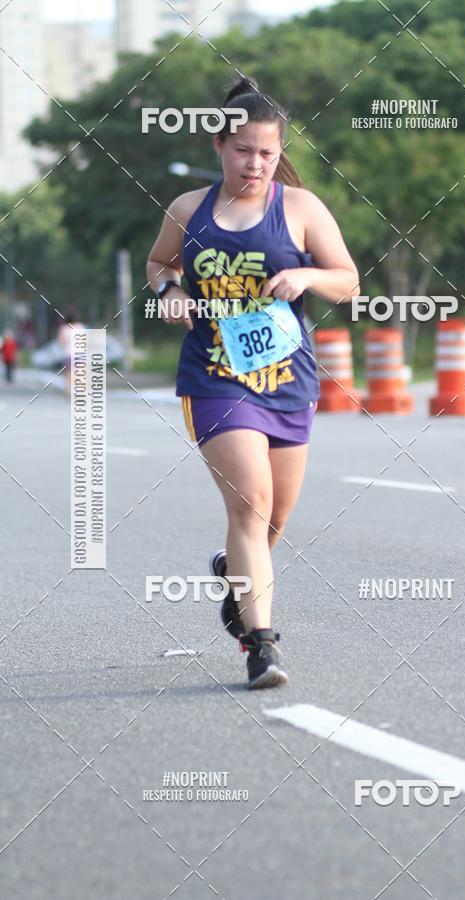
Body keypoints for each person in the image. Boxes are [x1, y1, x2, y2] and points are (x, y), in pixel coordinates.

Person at [146, 76, 360, 689]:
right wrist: (171, 290)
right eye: (244, 150)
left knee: (273, 522)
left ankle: (234, 580)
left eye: (267, 153)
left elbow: (349, 280)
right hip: (214, 377)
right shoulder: (189, 210)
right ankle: (261, 645)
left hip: (288, 380)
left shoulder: (301, 208)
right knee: (251, 503)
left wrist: (307, 279)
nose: (256, 163)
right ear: (221, 145)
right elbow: (159, 263)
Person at [57, 312, 84, 396]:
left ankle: (70, 393)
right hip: (80, 354)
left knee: (69, 375)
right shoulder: (81, 327)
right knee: (80, 374)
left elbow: (61, 342)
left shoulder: (64, 329)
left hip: (69, 354)